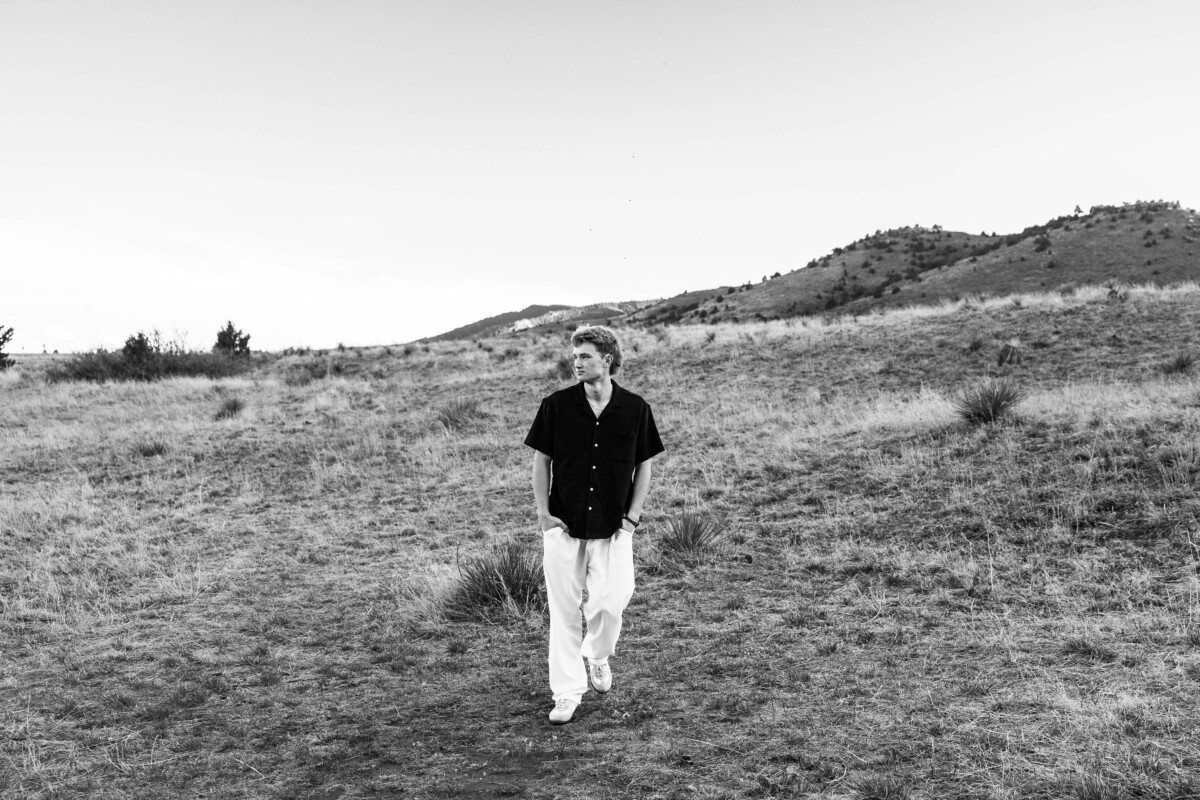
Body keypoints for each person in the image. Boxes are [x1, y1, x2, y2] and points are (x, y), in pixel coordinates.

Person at [524, 325, 664, 724]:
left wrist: (632, 518)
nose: (576, 362)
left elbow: (645, 464)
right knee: (564, 612)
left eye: (584, 356)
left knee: (611, 602)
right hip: (564, 526)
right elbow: (541, 461)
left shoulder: (636, 408)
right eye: (575, 356)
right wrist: (542, 514)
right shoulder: (556, 405)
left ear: (607, 359)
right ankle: (567, 693)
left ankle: (598, 655)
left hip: (614, 527)